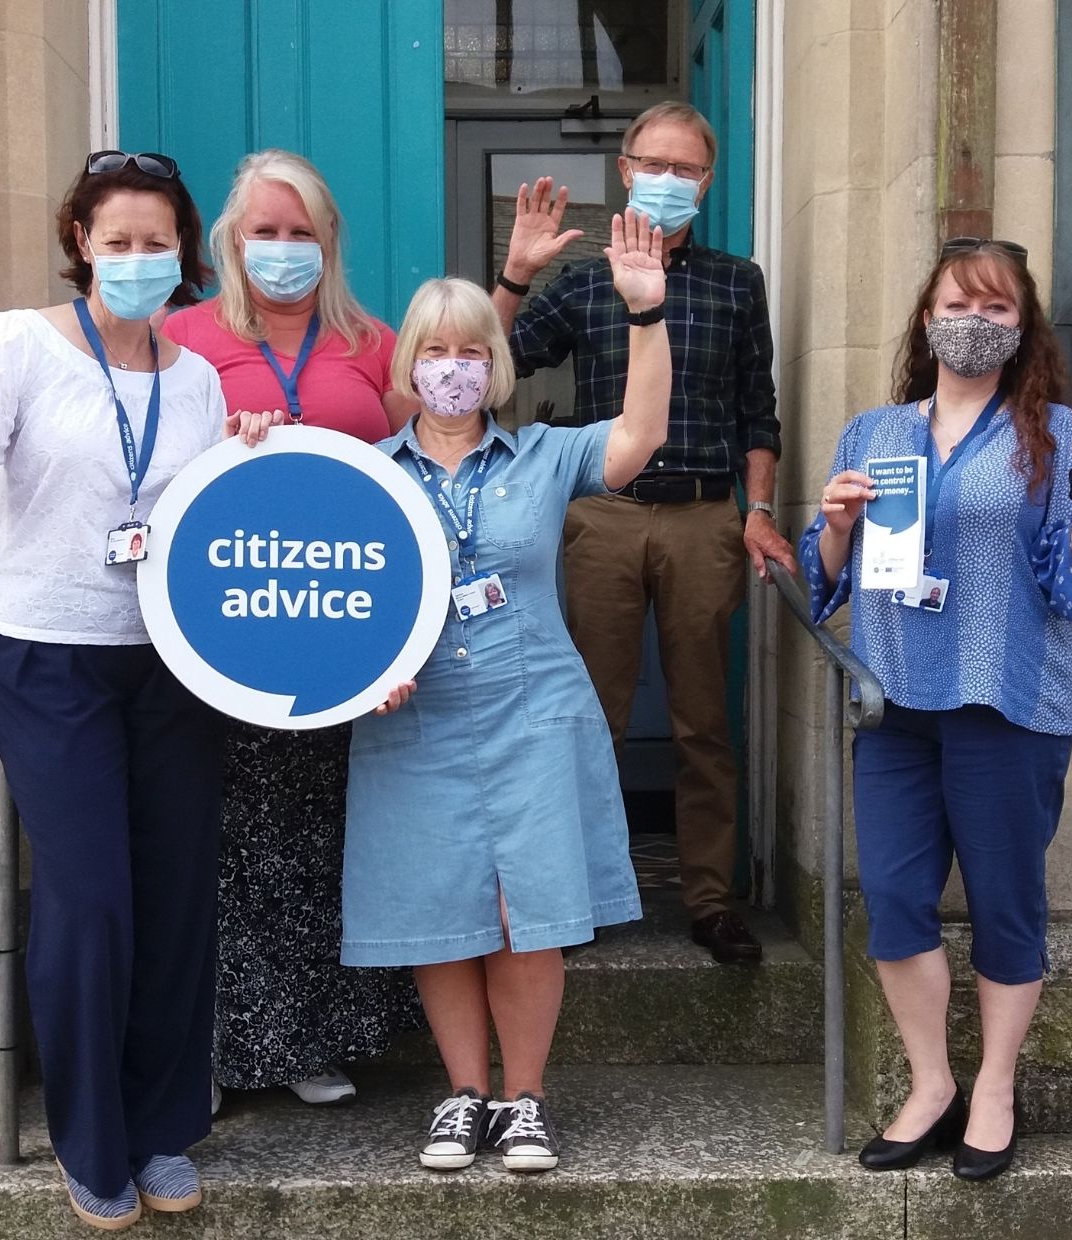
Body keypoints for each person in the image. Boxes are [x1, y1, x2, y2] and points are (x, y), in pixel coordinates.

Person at [0, 150, 231, 1229]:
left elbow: (204, 520)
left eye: (156, 241)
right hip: (48, 653)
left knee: (175, 898)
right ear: (79, 242)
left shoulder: (200, 380)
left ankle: (160, 1126)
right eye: (116, 240)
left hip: (173, 660)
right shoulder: (19, 345)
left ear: (182, 251)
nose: (137, 258)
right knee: (90, 901)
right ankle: (92, 1145)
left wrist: (254, 462)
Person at [800, 237, 1072, 1181]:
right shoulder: (873, 433)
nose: (974, 322)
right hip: (893, 705)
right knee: (892, 898)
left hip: (1004, 701)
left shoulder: (1055, 430)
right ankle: (931, 1084)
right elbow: (823, 582)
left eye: (997, 310)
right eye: (958, 305)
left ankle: (994, 1086)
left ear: (1022, 327)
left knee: (1006, 904)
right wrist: (835, 527)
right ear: (926, 318)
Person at [343, 211, 668, 1174]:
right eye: (435, 351)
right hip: (415, 721)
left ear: (497, 361)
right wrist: (361, 681)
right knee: (440, 909)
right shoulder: (367, 477)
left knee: (529, 910)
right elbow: (331, 601)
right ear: (409, 363)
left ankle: (524, 1101)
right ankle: (462, 1097)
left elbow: (642, 437)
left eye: (471, 350)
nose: (454, 367)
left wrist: (645, 317)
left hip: (533, 714)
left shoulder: (546, 457)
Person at [491, 101, 794, 964]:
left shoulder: (738, 282)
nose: (669, 181)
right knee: (590, 715)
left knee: (704, 719)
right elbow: (490, 362)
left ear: (707, 179)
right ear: (625, 171)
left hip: (705, 516)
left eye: (687, 168)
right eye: (653, 165)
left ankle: (708, 898)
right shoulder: (584, 280)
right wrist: (514, 277)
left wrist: (759, 509)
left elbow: (757, 411)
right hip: (604, 518)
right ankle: (576, 893)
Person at [160, 150, 421, 1110]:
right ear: (231, 240)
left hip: (343, 629)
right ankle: (221, 1047)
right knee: (220, 841)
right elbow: (145, 469)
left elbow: (423, 462)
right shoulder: (181, 341)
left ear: (329, 241)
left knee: (325, 836)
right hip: (222, 629)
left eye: (300, 231)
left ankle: (311, 1037)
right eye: (264, 231)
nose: (281, 249)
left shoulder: (372, 340)